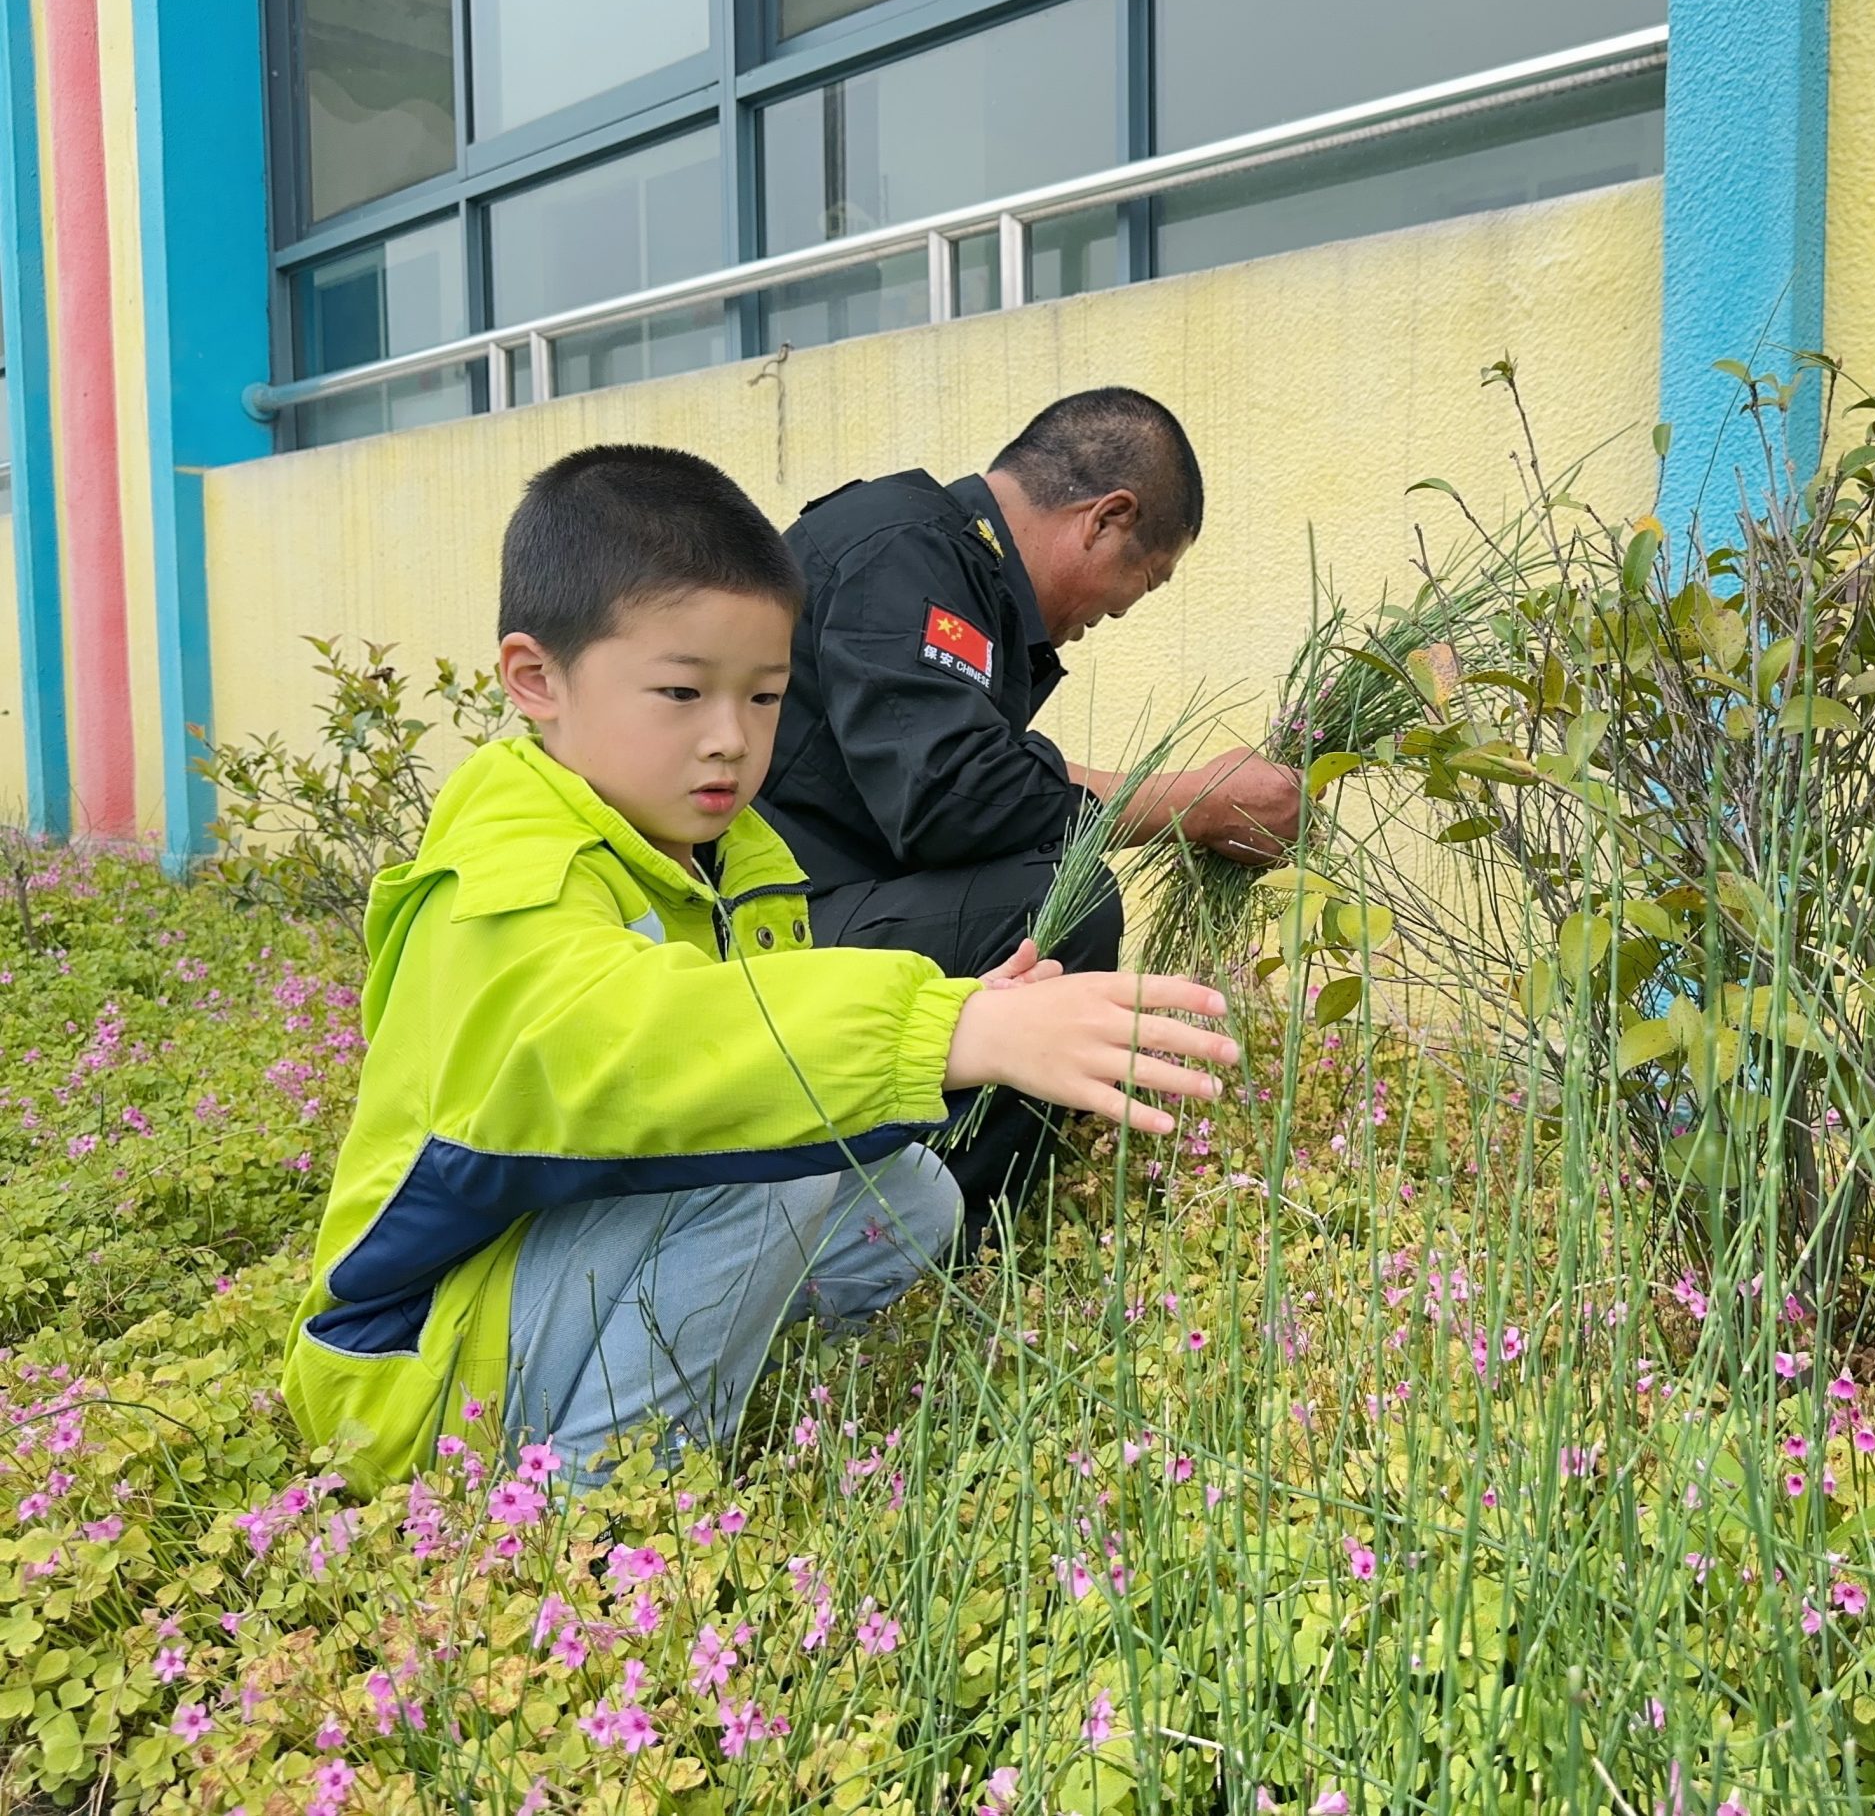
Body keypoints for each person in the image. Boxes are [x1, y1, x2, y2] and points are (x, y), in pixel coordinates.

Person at [280, 444, 1240, 1497]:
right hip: (417, 1360)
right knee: (764, 1149)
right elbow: (627, 1043)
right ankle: (606, 1506)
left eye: (767, 696)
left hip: (543, 1283)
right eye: (682, 692)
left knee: (913, 1196)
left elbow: (745, 1034)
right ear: (535, 679)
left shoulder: (736, 856)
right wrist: (942, 1028)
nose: (731, 742)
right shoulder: (509, 866)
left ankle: (696, 1390)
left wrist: (972, 1009)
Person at [756, 388, 1303, 1216]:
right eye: (1142, 581)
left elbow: (961, 798)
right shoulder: (904, 551)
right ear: (1106, 519)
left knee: (1037, 880)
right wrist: (1196, 803)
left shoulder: (944, 563)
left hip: (823, 908)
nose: (1116, 612)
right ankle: (933, 1243)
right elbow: (951, 794)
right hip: (763, 936)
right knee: (1062, 901)